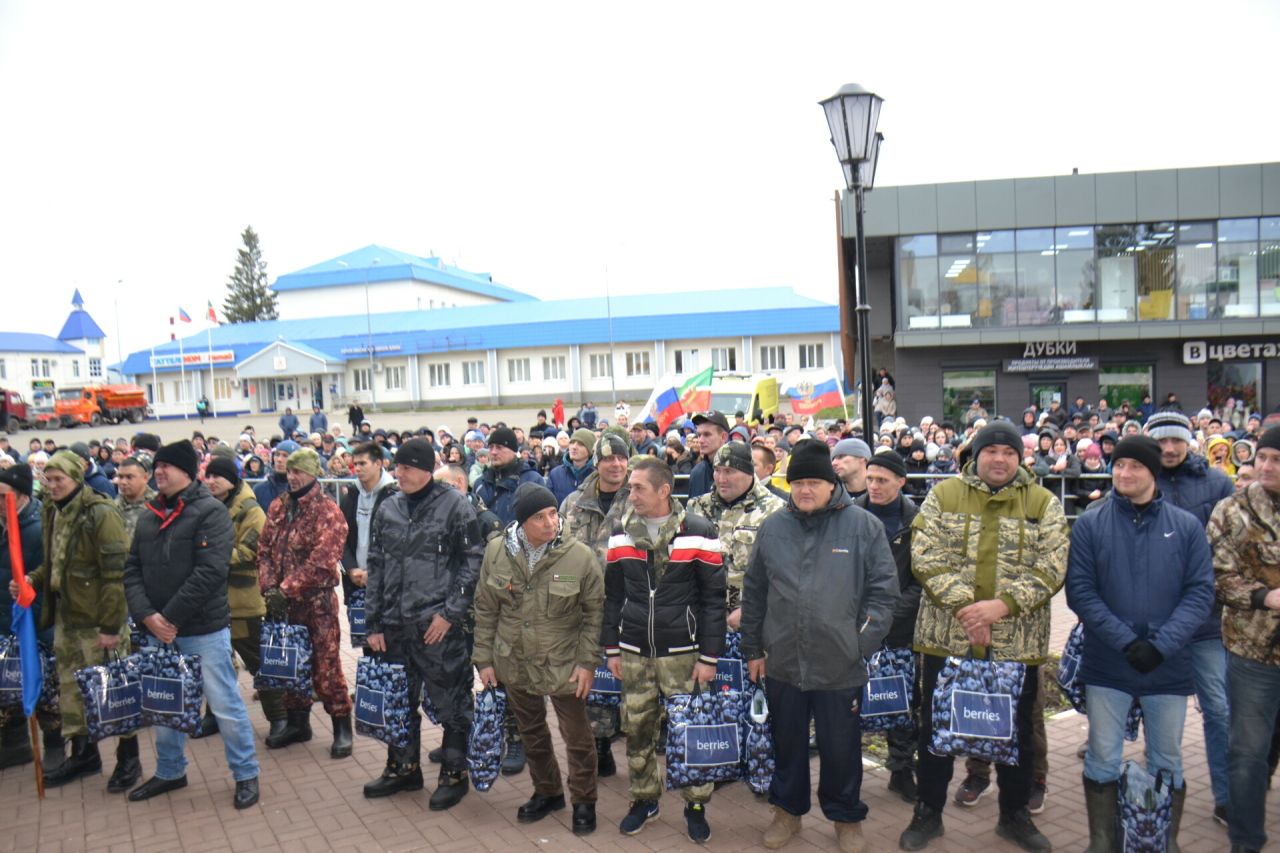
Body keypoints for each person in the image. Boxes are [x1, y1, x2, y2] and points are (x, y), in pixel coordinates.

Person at [899, 421, 1068, 853]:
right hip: (948, 639)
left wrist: (1003, 605)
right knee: (936, 731)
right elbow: (925, 555)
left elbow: (1052, 564)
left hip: (1017, 643)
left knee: (1016, 735)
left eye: (1008, 452)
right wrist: (967, 609)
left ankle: (1014, 816)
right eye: (990, 451)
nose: (999, 459)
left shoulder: (1043, 503)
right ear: (976, 456)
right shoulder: (944, 495)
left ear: (1020, 458)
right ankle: (928, 813)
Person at [742, 440, 899, 853]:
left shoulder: (863, 527)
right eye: (797, 483)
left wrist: (859, 643)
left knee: (840, 747)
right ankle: (787, 812)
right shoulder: (773, 527)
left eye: (813, 481)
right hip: (784, 662)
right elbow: (754, 593)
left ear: (832, 484)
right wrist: (753, 649)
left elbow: (884, 595)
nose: (804, 490)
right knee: (787, 742)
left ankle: (845, 818)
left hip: (840, 663)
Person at [1067, 436, 1214, 853]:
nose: (1124, 474)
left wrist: (1161, 645)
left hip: (1167, 667)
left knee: (1167, 759)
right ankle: (1104, 843)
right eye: (1118, 465)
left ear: (1154, 472)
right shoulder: (1092, 523)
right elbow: (1081, 591)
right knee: (1102, 758)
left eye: (1134, 466)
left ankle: (1163, 839)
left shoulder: (1185, 526)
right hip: (1109, 663)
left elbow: (1201, 592)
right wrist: (1126, 641)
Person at [121, 440, 260, 808]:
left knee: (226, 705)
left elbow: (211, 572)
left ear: (187, 471)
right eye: (156, 466)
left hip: (203, 630)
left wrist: (169, 618)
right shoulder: (150, 515)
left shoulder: (210, 512)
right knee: (165, 706)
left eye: (167, 466)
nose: (159, 472)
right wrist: (148, 617)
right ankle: (170, 771)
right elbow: (132, 569)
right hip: (157, 631)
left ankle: (246, 773)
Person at [604, 456, 725, 842]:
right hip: (635, 652)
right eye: (630, 487)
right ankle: (644, 800)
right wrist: (611, 648)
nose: (631, 493)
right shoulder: (622, 531)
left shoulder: (700, 531)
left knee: (690, 731)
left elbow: (714, 600)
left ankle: (695, 804)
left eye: (639, 487)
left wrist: (709, 658)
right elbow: (612, 597)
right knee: (637, 728)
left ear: (664, 490)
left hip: (685, 655)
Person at [362, 439, 485, 810]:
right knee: (399, 699)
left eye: (407, 468)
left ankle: (453, 774)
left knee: (453, 700)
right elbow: (376, 564)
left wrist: (450, 614)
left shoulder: (454, 505)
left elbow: (472, 562)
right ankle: (403, 768)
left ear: (426, 470)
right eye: (396, 467)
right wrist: (374, 622)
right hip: (395, 626)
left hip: (436, 626)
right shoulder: (389, 506)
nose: (399, 474)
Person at [473, 483, 603, 834]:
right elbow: (485, 609)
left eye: (552, 514)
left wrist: (587, 662)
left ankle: (584, 800)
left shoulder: (579, 556)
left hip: (564, 662)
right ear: (521, 522)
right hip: (513, 660)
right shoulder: (497, 552)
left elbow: (594, 615)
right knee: (531, 732)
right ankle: (548, 792)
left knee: (577, 736)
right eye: (539, 517)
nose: (550, 523)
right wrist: (483, 660)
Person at [17, 450, 138, 791]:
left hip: (98, 622)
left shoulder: (101, 512)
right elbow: (56, 564)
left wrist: (111, 627)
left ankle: (129, 758)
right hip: (66, 619)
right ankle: (84, 755)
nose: (51, 485)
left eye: (59, 479)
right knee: (72, 692)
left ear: (76, 478)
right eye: (48, 479)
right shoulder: (52, 511)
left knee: (112, 693)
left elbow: (117, 575)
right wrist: (32, 579)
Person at [1143, 409, 1235, 824]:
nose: (1169, 448)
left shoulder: (1217, 483)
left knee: (1217, 706)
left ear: (1190, 440)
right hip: (1156, 625)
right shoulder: (1140, 480)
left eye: (1176, 439)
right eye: (1161, 441)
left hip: (1205, 622)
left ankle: (1228, 795)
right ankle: (1154, 793)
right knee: (1158, 711)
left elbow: (1228, 551)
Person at [1208, 427, 1280, 853]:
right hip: (1252, 653)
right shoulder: (1231, 510)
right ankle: (1246, 841)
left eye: (1277, 459)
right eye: (1264, 457)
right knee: (1247, 754)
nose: (1268, 466)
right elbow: (1216, 576)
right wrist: (1263, 595)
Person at [256, 448, 353, 757]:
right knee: (290, 667)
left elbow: (323, 562)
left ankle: (342, 728)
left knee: (326, 669)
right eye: (289, 471)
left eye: (299, 471)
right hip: (282, 607)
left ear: (313, 474)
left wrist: (284, 589)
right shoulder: (278, 507)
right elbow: (263, 552)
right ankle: (299, 725)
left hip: (317, 604)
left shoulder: (328, 512)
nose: (292, 476)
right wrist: (270, 588)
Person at [195, 456, 285, 742]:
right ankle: (213, 715)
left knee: (258, 662)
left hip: (243, 602)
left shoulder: (250, 510)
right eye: (208, 476)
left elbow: (250, 553)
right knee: (214, 662)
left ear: (232, 480)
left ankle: (278, 717)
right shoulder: (206, 507)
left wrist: (207, 558)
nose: (211, 481)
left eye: (218, 476)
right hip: (210, 601)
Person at [561, 428, 633, 777]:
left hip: (629, 607)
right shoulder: (573, 503)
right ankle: (599, 747)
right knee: (588, 679)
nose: (615, 464)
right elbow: (556, 557)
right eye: (608, 458)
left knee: (628, 679)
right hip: (584, 610)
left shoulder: (640, 499)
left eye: (621, 457)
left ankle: (635, 746)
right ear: (596, 462)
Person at [854, 451, 922, 804]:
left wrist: (886, 614)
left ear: (901, 481)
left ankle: (900, 770)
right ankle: (848, 777)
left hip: (899, 629)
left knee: (903, 702)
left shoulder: (918, 522)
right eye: (870, 479)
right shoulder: (849, 516)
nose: (875, 486)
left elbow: (922, 580)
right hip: (856, 630)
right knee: (850, 704)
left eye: (883, 480)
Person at [0, 464, 61, 772]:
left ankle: (54, 744)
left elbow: (46, 578)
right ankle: (13, 743)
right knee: (7, 684)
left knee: (45, 687)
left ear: (21, 496)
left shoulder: (36, 529)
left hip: (33, 623)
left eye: (2, 496)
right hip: (4, 620)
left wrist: (30, 606)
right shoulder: (3, 524)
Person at [687, 442, 784, 632]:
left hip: (754, 622)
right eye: (717, 470)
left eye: (730, 471)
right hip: (702, 620)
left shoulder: (776, 510)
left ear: (749, 473)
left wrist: (752, 608)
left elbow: (783, 573)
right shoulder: (696, 507)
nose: (721, 478)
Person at [339, 442, 398, 613]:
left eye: (363, 463)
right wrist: (350, 568)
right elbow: (341, 537)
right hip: (355, 582)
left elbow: (396, 543)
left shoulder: (394, 498)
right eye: (355, 464)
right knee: (358, 637)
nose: (357, 468)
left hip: (386, 585)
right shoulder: (349, 496)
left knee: (384, 638)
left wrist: (372, 572)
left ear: (378, 464)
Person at [476, 427, 545, 526]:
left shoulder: (532, 480)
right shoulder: (481, 483)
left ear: (513, 450)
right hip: (488, 541)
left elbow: (542, 518)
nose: (494, 452)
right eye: (491, 447)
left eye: (499, 447)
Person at [686, 411, 730, 499]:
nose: (700, 440)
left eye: (707, 434)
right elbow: (691, 509)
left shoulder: (739, 470)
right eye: (699, 435)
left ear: (723, 437)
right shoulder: (696, 473)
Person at [112, 456, 157, 542]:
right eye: (121, 477)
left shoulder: (156, 506)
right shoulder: (113, 505)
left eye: (129, 477)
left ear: (145, 478)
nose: (123, 482)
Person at [548, 429, 595, 505]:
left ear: (590, 449)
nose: (574, 447)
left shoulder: (597, 475)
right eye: (572, 443)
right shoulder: (556, 474)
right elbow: (548, 504)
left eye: (581, 444)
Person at [253, 439, 300, 509]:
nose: (279, 459)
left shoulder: (302, 491)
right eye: (277, 455)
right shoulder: (259, 490)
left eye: (285, 455)